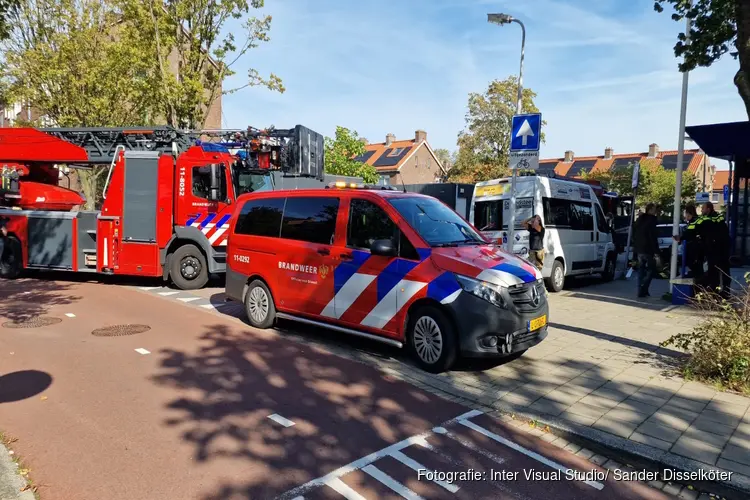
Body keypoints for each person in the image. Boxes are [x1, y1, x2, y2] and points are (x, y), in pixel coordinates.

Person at [633, 203, 660, 298]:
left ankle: (641, 290)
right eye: (654, 209)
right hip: (648, 249)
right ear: (650, 210)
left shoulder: (640, 219)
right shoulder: (651, 220)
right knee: (651, 270)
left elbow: (635, 232)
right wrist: (656, 251)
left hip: (639, 248)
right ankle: (643, 289)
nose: (655, 211)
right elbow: (652, 236)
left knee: (641, 269)